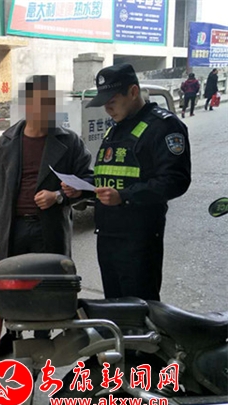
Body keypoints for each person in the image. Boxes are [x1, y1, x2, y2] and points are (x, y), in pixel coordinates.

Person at [0, 75, 93, 358]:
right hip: (13, 227)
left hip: (49, 228)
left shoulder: (69, 142)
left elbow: (87, 182)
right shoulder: (8, 141)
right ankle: (12, 335)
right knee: (11, 284)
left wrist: (59, 196)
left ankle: (42, 338)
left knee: (45, 284)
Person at [81, 63, 191, 301]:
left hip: (139, 240)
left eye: (112, 100)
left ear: (132, 92)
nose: (107, 108)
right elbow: (107, 175)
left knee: (139, 308)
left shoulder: (163, 126)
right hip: (108, 236)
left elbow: (175, 180)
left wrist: (124, 197)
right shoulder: (116, 129)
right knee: (113, 306)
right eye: (104, 103)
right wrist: (80, 188)